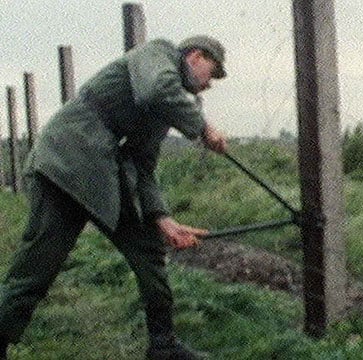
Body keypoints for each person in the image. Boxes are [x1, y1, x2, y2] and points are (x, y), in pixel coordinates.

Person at [0, 35, 228, 360]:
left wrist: (163, 219)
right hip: (65, 162)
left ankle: (163, 345)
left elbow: (143, 165)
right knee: (36, 269)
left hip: (101, 174)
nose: (209, 86)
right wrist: (203, 128)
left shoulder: (163, 111)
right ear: (195, 56)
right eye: (213, 72)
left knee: (148, 247)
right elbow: (157, 89)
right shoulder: (159, 54)